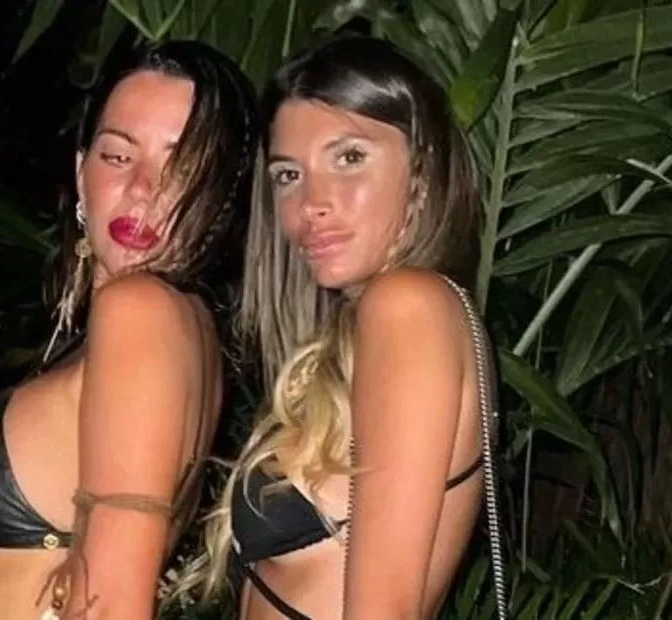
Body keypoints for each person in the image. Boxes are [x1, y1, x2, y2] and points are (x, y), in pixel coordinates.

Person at [0, 39, 259, 620]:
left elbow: (114, 603)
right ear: (81, 173)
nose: (143, 188)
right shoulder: (184, 325)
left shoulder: (140, 312)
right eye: (118, 156)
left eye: (182, 166)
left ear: (221, 197)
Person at [185, 36, 508, 619]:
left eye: (349, 158)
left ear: (421, 173)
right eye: (288, 174)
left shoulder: (407, 307)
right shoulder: (375, 329)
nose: (312, 203)